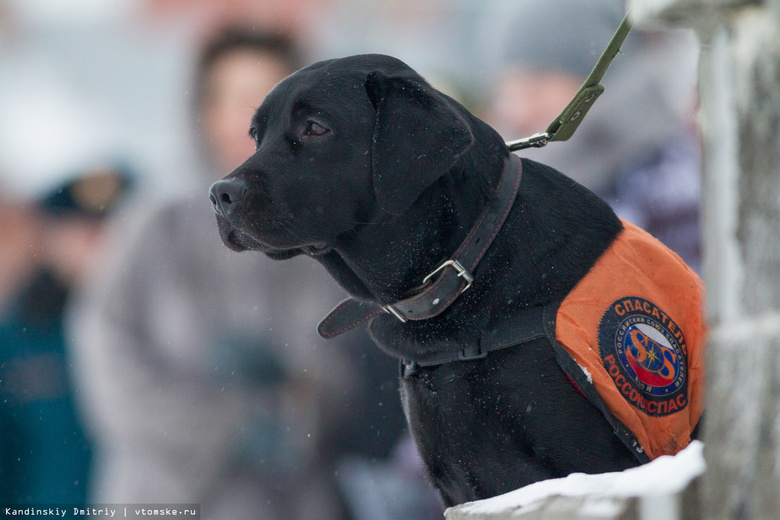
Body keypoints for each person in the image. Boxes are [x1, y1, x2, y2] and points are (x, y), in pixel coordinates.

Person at [68, 25, 408, 520]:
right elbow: (107, 357)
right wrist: (227, 425)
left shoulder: (338, 220)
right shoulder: (154, 222)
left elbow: (367, 356)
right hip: (163, 497)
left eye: (261, 98)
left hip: (300, 499)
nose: (242, 118)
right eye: (228, 98)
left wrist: (299, 407)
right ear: (201, 110)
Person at [488, 0, 702, 272]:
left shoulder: (672, 193)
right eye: (508, 91)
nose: (518, 111)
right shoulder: (505, 190)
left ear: (597, 85)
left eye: (535, 86)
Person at [0, 167, 131, 504]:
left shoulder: (174, 328)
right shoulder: (17, 338)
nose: (97, 247)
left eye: (112, 230)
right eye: (81, 233)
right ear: (47, 239)